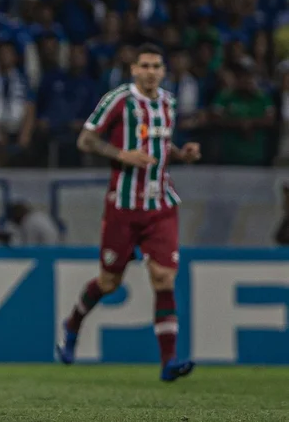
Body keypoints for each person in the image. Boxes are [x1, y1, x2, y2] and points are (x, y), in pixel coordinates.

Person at [56, 43, 201, 382]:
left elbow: (160, 150)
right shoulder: (118, 99)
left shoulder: (168, 102)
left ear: (163, 72)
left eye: (157, 66)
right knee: (109, 282)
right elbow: (85, 141)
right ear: (134, 69)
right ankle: (72, 324)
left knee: (164, 277)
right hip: (123, 207)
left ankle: (168, 362)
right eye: (145, 66)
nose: (151, 72)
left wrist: (182, 154)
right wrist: (122, 155)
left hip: (161, 205)